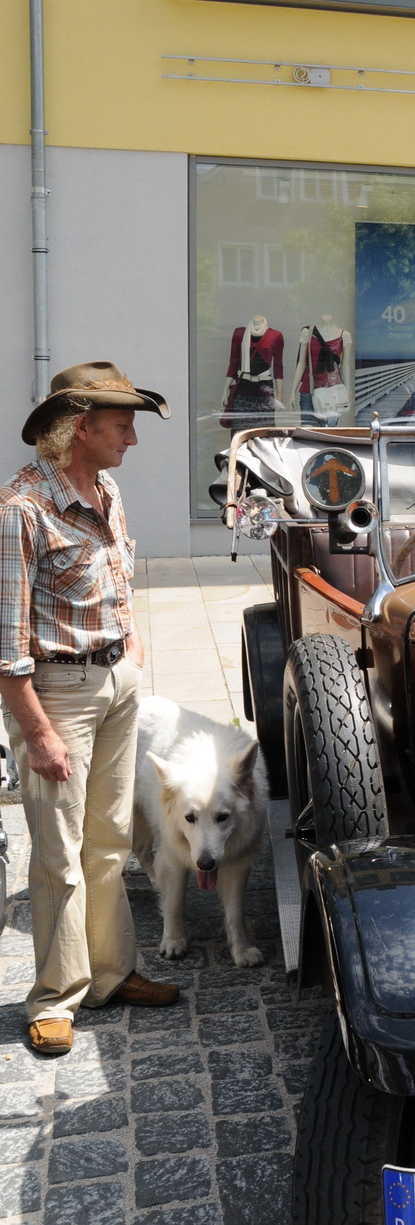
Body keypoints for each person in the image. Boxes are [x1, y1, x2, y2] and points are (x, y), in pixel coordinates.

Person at [0, 363, 181, 1056]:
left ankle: (109, 973)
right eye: (121, 424)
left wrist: (130, 652)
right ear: (82, 427)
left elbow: (120, 582)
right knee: (57, 856)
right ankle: (53, 997)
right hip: (58, 697)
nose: (132, 437)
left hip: (117, 683)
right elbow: (7, 645)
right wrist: (37, 731)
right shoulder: (21, 510)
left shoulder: (105, 487)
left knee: (110, 844)